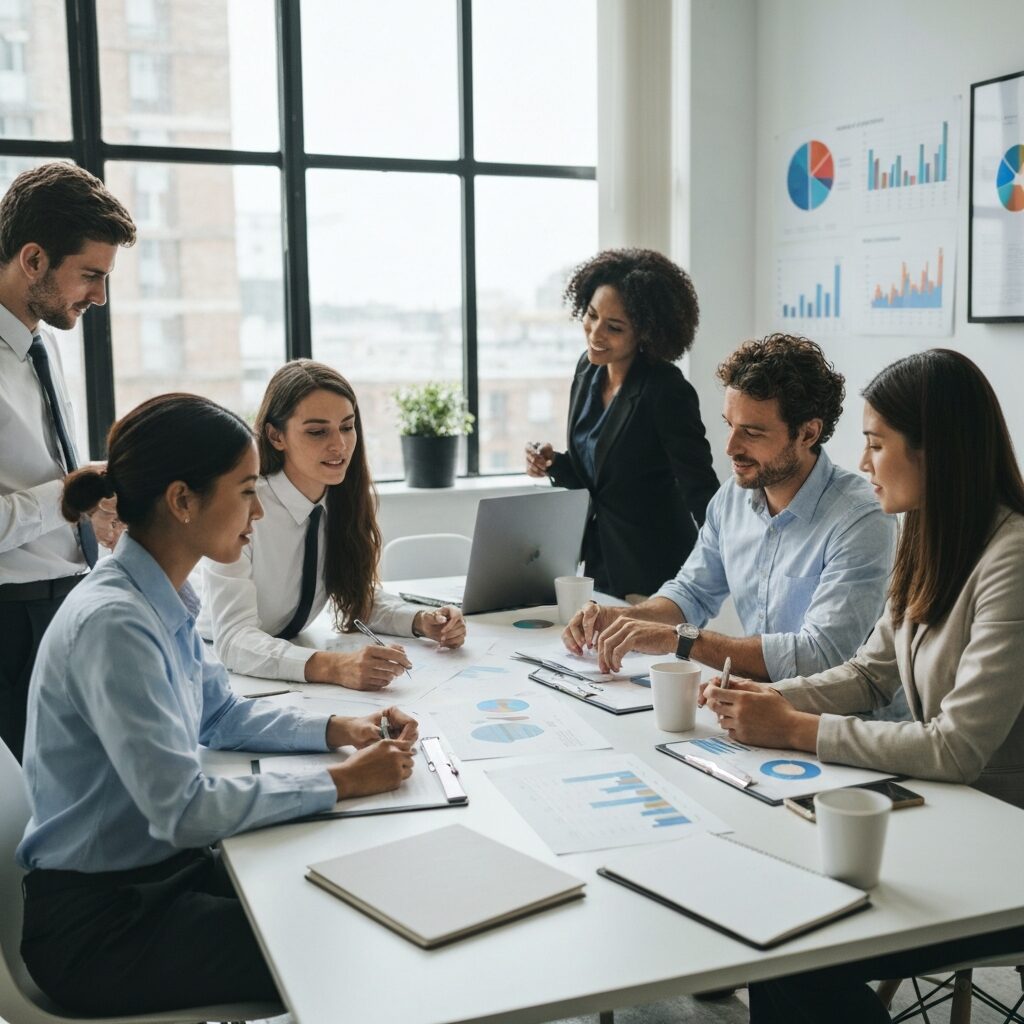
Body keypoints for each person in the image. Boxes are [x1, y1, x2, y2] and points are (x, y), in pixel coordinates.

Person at [16, 392, 419, 1016]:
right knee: (351, 945)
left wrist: (340, 728)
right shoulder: (116, 623)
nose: (258, 511)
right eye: (247, 490)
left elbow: (221, 715)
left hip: (159, 876)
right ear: (183, 501)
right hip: (104, 925)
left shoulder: (157, 595)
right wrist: (342, 782)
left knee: (353, 889)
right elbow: (183, 811)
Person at [699, 350, 1024, 1023]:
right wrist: (771, 701)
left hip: (999, 845)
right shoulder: (927, 532)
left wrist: (795, 728)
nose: (864, 462)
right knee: (774, 916)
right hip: (941, 812)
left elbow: (958, 748)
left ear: (935, 453)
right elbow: (870, 673)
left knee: (797, 949)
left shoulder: (1012, 558)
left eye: (877, 444)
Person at [563, 334, 896, 681]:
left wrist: (680, 640)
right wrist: (621, 618)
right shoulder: (732, 498)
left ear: (808, 433)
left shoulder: (861, 518)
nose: (731, 447)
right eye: (730, 425)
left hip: (837, 711)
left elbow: (821, 656)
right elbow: (691, 593)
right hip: (760, 702)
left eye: (751, 432)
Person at [199, 359, 466, 690]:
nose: (339, 445)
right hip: (224, 672)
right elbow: (233, 639)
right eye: (317, 431)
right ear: (276, 435)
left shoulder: (340, 498)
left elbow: (354, 595)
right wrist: (337, 666)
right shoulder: (243, 510)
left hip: (288, 657)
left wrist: (421, 621)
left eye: (347, 427)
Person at [0, 162, 136, 760]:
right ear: (33, 259)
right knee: (32, 797)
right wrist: (68, 495)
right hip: (11, 624)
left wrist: (86, 510)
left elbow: (35, 466)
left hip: (67, 599)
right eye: (90, 275)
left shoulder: (43, 341)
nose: (100, 297)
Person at [525, 248, 719, 599]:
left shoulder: (666, 390)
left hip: (655, 569)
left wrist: (725, 566)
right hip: (598, 564)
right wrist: (554, 463)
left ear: (645, 333)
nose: (595, 333)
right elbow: (597, 478)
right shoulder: (587, 369)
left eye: (614, 327)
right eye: (592, 315)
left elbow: (700, 489)